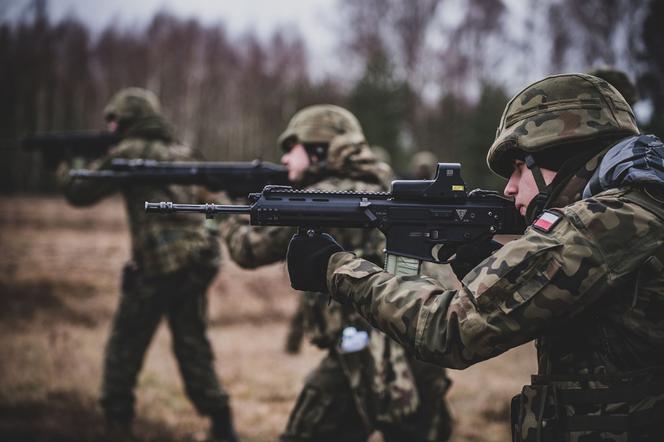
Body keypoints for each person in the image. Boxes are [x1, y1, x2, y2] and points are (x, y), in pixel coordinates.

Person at [286, 74, 664, 440]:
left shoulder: (606, 223)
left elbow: (451, 329)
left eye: (519, 168)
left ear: (563, 154)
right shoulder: (640, 208)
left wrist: (335, 269)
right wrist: (490, 264)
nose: (510, 188)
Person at [221, 104, 453, 442]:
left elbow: (250, 249)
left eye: (292, 148)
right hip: (421, 343)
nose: (285, 159)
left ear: (318, 149)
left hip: (363, 351)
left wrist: (227, 210)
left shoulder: (321, 198)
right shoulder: (388, 183)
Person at [57, 88, 237, 442]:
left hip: (158, 266)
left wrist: (64, 164)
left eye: (114, 121)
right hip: (197, 261)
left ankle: (116, 424)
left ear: (127, 120)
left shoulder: (129, 151)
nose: (109, 127)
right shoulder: (182, 152)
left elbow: (80, 192)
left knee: (125, 345)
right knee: (192, 346)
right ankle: (222, 423)